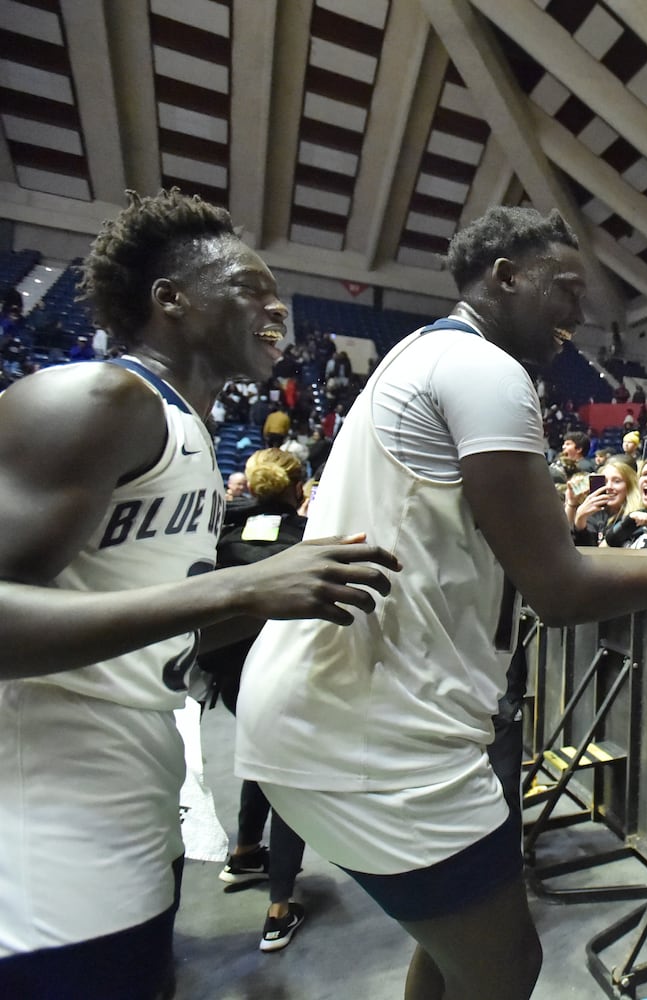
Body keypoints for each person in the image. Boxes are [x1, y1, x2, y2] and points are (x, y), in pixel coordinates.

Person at [233, 205, 647, 1000]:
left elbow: (539, 553)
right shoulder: (487, 372)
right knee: (506, 966)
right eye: (564, 287)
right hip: (377, 731)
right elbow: (557, 588)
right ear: (504, 276)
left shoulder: (425, 356)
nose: (580, 310)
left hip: (343, 714)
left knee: (459, 952)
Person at [0, 189, 398, 999]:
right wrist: (238, 588)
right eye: (250, 286)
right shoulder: (96, 399)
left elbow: (145, 633)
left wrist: (267, 603)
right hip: (41, 841)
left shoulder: (189, 430)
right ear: (171, 299)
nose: (276, 302)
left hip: (133, 808)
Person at [197, 449, 314, 952]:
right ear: (297, 489)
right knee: (288, 774)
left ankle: (245, 851)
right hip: (283, 676)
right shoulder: (307, 541)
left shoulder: (222, 532)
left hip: (229, 678)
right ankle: (279, 908)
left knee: (259, 753)